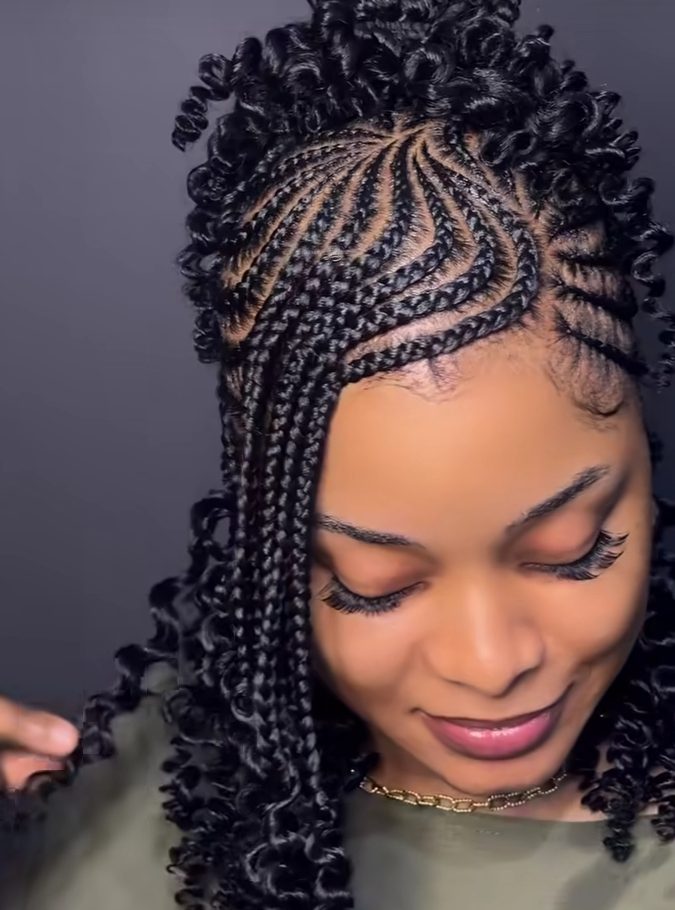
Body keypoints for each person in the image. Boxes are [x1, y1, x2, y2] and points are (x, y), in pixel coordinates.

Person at [2, 0, 675, 906]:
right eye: (373, 584)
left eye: (572, 551)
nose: (489, 663)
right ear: (270, 532)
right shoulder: (149, 783)